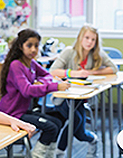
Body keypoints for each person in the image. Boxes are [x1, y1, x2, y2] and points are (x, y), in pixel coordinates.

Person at [0, 29, 71, 158]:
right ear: (20, 46)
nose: (33, 49)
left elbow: (47, 75)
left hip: (22, 111)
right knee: (51, 128)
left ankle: (49, 156)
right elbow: (27, 90)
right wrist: (55, 86)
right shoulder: (16, 65)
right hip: (12, 114)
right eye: (29, 45)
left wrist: (39, 81)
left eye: (36, 45)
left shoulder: (32, 63)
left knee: (57, 123)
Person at [48, 24, 117, 157]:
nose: (89, 42)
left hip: (82, 98)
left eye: (93, 40)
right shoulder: (69, 51)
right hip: (64, 97)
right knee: (76, 121)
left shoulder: (96, 54)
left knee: (79, 132)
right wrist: (73, 73)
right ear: (80, 37)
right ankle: (61, 151)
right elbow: (53, 71)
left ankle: (90, 140)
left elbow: (113, 68)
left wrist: (91, 72)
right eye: (87, 38)